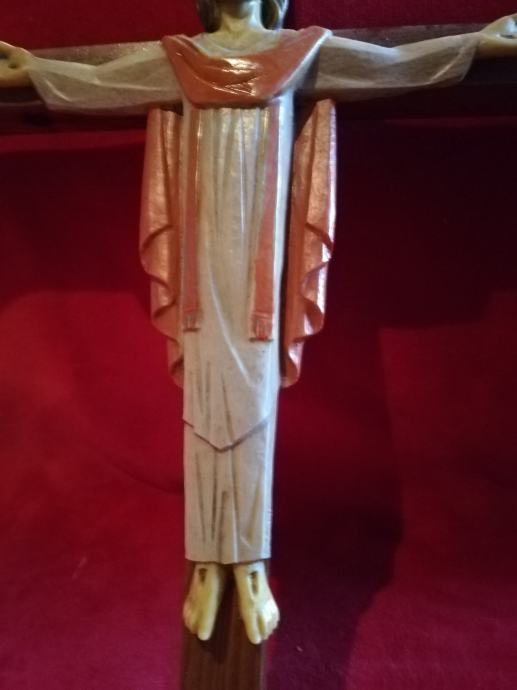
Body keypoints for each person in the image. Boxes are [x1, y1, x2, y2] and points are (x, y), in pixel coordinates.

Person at [1, 0, 516, 646]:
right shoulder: (181, 59)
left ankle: (248, 567)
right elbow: (104, 82)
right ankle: (205, 565)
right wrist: (32, 69)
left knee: (252, 404)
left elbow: (390, 66)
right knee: (203, 403)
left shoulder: (300, 54)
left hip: (260, 273)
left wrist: (474, 44)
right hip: (201, 271)